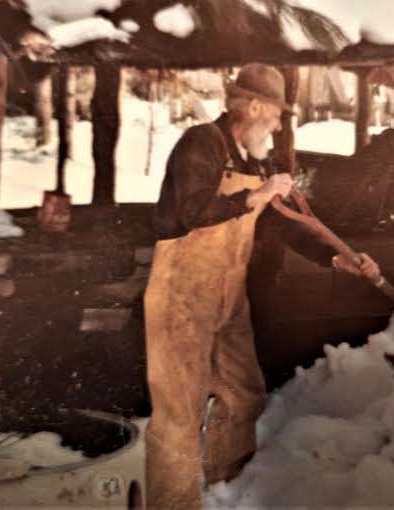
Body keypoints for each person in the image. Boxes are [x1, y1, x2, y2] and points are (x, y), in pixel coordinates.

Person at [143, 63, 379, 509]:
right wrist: (257, 193)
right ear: (252, 106)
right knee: (178, 412)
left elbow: (286, 225)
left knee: (243, 393)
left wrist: (337, 258)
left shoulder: (253, 161)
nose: (276, 125)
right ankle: (171, 505)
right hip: (181, 298)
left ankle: (223, 484)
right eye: (274, 115)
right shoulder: (201, 144)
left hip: (228, 297)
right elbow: (194, 209)